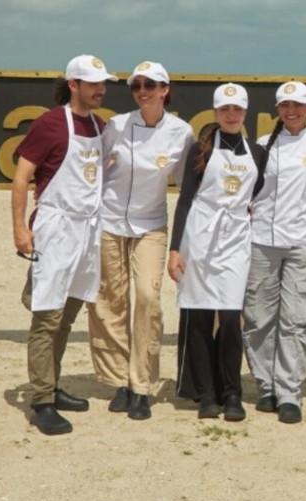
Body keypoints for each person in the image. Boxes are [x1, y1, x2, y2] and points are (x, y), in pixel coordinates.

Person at [10, 55, 117, 435]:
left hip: (86, 232)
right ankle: (41, 401)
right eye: (92, 83)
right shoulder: (50, 124)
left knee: (69, 314)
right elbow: (22, 177)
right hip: (55, 228)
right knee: (47, 316)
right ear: (73, 84)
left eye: (103, 83)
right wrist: (20, 228)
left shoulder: (99, 125)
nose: (100, 89)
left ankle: (52, 385)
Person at [86, 61, 194, 421]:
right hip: (110, 221)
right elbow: (94, 171)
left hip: (152, 225)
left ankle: (142, 385)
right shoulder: (116, 125)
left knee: (148, 298)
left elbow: (190, 188)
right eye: (137, 86)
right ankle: (119, 380)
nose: (143, 90)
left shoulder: (181, 132)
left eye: (151, 84)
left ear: (166, 89)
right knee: (109, 301)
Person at [167, 84, 265, 421]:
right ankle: (205, 392)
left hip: (236, 241)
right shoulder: (201, 149)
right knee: (198, 316)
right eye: (225, 109)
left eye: (237, 109)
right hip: (200, 236)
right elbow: (184, 200)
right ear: (216, 112)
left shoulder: (257, 152)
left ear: (245, 112)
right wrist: (175, 248)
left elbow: (259, 189)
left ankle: (231, 391)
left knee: (229, 319)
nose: (231, 115)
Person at [243, 81, 306, 424]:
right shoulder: (262, 144)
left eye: (298, 105)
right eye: (285, 105)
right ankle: (265, 386)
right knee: (258, 317)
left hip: (303, 242)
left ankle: (290, 392)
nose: (292, 111)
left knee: (296, 320)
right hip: (263, 240)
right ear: (277, 109)